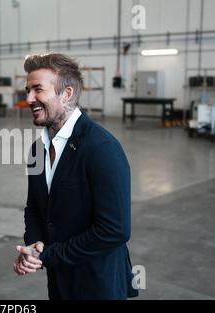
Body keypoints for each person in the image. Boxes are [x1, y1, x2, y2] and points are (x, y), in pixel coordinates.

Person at [13, 53, 138, 300]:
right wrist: (35, 246)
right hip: (60, 282)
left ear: (66, 94)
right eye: (27, 90)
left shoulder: (101, 148)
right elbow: (35, 209)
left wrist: (48, 256)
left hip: (98, 283)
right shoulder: (38, 149)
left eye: (38, 89)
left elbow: (114, 230)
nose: (28, 99)